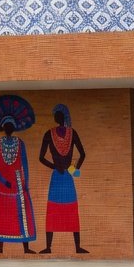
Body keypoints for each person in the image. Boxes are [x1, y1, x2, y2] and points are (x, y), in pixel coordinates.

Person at [38, 103, 88, 254]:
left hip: (67, 176)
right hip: (58, 176)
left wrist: (74, 168)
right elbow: (41, 158)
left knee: (72, 209)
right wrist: (53, 166)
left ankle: (77, 247)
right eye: (56, 115)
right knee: (52, 210)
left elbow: (82, 154)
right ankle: (48, 246)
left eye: (58, 114)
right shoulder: (49, 133)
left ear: (62, 117)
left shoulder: (72, 133)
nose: (56, 117)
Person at [0, 116, 36, 253]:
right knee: (1, 213)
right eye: (6, 126)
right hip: (3, 184)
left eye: (11, 126)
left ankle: (26, 248)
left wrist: (26, 182)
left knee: (22, 212)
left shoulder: (20, 143)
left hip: (18, 182)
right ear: (4, 128)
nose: (8, 128)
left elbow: (25, 164)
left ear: (14, 128)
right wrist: (3, 180)